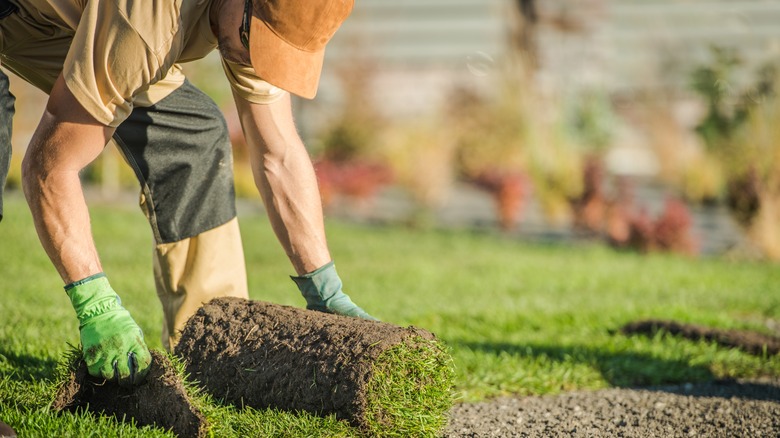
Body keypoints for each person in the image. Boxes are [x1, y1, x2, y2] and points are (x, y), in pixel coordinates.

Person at [0, 0, 376, 386]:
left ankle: (210, 357)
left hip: (55, 20)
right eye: (256, 42)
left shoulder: (249, 22)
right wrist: (96, 305)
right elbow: (50, 165)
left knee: (191, 135)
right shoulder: (148, 23)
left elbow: (278, 154)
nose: (258, 61)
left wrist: (325, 288)